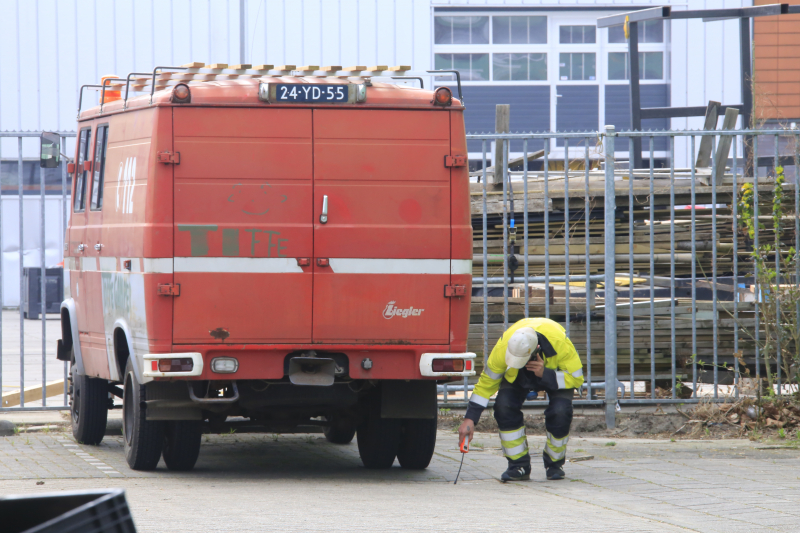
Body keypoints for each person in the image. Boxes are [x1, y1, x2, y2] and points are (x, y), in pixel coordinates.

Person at [458, 317, 584, 482]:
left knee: (560, 411)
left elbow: (576, 379)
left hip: (554, 374)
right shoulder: (503, 348)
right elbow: (485, 384)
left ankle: (554, 464)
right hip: (517, 377)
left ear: (536, 349)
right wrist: (470, 418)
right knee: (504, 407)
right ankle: (519, 465)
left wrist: (545, 374)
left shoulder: (560, 343)